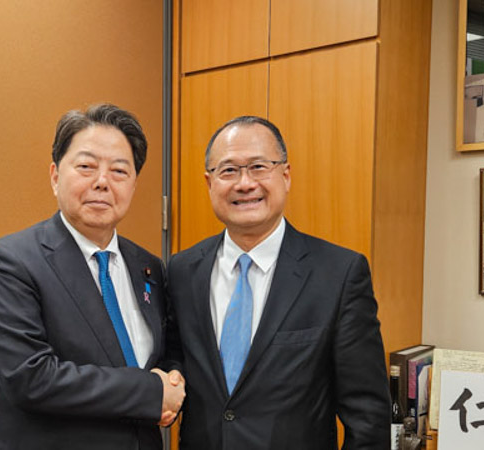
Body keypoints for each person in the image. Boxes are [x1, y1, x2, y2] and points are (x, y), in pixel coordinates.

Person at [164, 116, 390, 449]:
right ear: (209, 183)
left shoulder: (339, 274)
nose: (244, 183)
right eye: (228, 170)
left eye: (258, 167)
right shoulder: (182, 270)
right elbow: (176, 361)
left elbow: (368, 415)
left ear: (285, 176)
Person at [0, 104, 184, 449]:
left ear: (133, 184)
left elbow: (161, 355)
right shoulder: (10, 261)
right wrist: (151, 392)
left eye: (120, 171)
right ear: (56, 176)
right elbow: (30, 378)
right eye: (86, 167)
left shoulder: (147, 265)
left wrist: (173, 383)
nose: (102, 183)